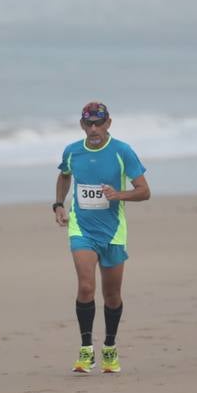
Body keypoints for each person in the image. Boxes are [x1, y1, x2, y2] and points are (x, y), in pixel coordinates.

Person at [53, 101, 150, 374]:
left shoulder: (122, 151)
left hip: (113, 230)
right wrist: (59, 204)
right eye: (89, 123)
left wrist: (119, 195)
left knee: (112, 294)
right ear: (82, 125)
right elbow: (64, 176)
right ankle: (86, 349)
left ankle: (109, 346)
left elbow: (144, 191)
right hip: (81, 227)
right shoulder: (72, 151)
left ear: (108, 123)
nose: (94, 128)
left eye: (99, 123)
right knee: (86, 287)